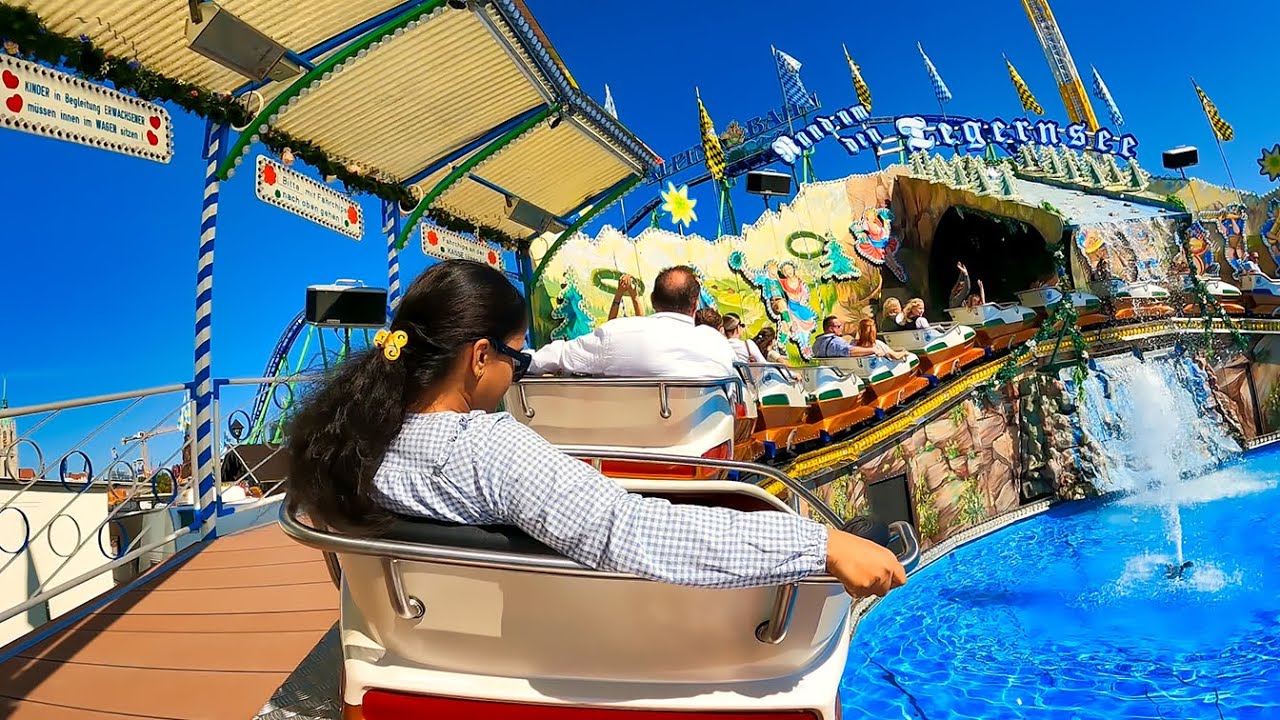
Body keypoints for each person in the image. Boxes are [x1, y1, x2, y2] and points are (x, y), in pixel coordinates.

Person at [285, 259, 906, 599]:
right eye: (517, 357)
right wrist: (820, 545)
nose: (520, 369)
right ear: (479, 357)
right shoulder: (484, 449)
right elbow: (635, 533)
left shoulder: (351, 444)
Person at [528, 265, 736, 378]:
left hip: (629, 452)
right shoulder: (717, 344)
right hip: (706, 454)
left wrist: (518, 357)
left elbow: (560, 356)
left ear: (653, 300)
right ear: (695, 304)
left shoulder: (617, 333)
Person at [812, 316, 884, 359]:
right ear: (831, 329)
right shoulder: (835, 341)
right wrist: (873, 350)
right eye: (839, 326)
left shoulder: (817, 343)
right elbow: (849, 351)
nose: (842, 328)